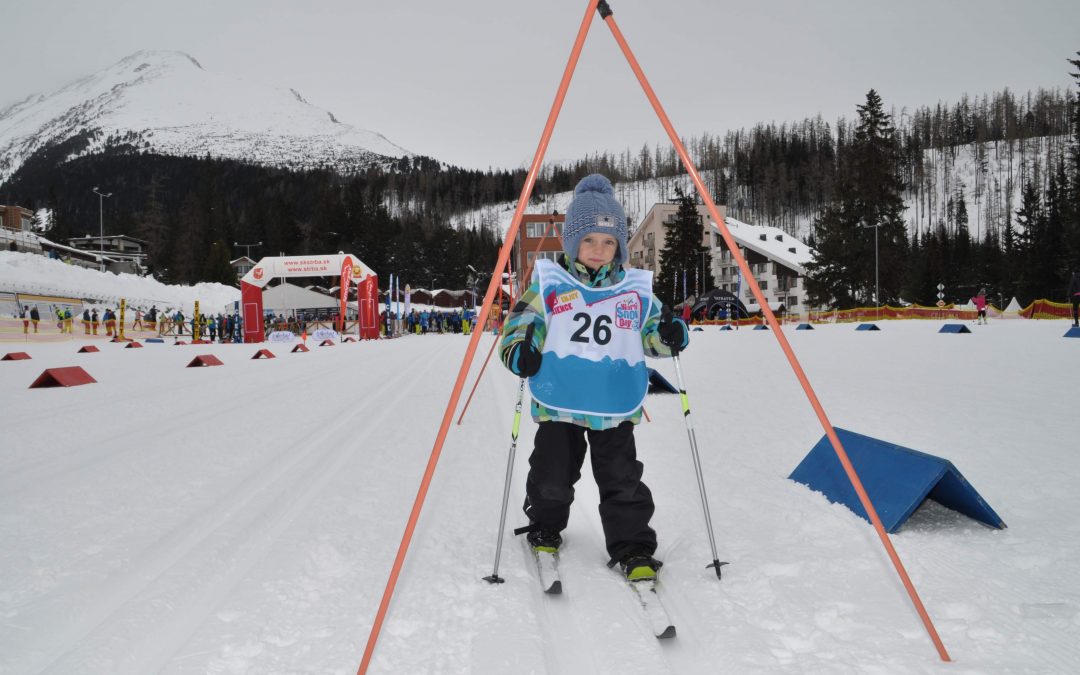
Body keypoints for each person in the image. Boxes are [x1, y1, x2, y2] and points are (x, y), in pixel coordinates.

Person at [499, 174, 690, 582]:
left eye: (609, 242)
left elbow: (654, 333)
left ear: (619, 246)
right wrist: (520, 349)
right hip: (560, 400)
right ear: (572, 242)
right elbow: (523, 322)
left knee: (622, 480)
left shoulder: (633, 290)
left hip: (612, 404)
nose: (599, 251)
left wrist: (671, 334)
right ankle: (545, 524)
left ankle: (633, 545)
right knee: (551, 473)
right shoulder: (551, 284)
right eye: (589, 241)